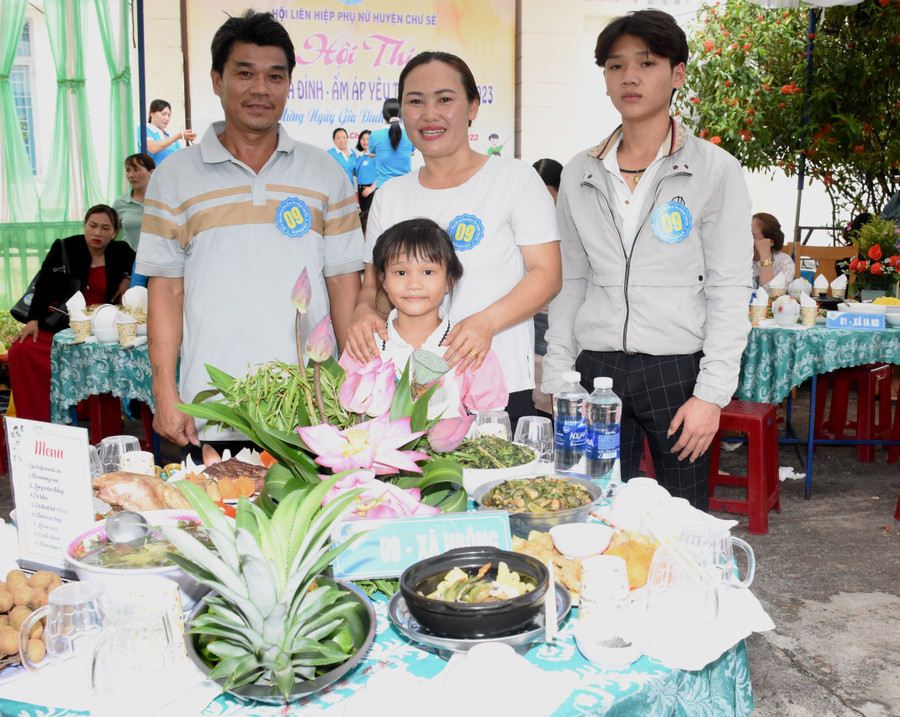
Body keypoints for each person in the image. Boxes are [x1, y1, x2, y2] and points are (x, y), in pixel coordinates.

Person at [542, 9, 753, 510]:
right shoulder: (580, 171)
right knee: (591, 507)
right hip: (593, 368)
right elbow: (571, 280)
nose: (630, 77)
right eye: (616, 67)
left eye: (647, 62)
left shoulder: (713, 170)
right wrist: (556, 373)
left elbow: (728, 288)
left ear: (677, 74)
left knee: (684, 516)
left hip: (677, 371)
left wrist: (711, 395)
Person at [136, 10, 364, 458]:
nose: (261, 89)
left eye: (275, 76)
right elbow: (166, 291)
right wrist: (165, 393)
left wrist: (353, 393)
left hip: (312, 411)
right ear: (217, 81)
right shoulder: (174, 178)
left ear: (288, 84)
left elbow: (343, 285)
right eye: (245, 73)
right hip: (210, 412)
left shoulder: (325, 173)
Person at [346, 51, 562, 430]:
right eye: (416, 101)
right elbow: (373, 286)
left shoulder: (513, 179)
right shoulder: (391, 194)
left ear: (472, 106)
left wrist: (486, 323)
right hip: (404, 397)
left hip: (496, 390)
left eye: (445, 99)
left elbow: (547, 275)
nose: (430, 114)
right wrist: (365, 312)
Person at [340, 218, 507, 419]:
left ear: (449, 280)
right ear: (383, 281)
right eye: (401, 272)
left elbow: (490, 428)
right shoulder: (364, 344)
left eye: (428, 272)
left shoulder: (468, 348)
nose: (414, 284)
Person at [8, 205, 134, 422]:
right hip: (64, 323)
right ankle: (37, 419)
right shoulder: (65, 247)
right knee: (21, 350)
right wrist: (34, 320)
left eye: (105, 228)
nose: (97, 233)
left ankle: (89, 415)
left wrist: (127, 278)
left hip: (101, 327)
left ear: (115, 232)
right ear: (84, 225)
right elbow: (44, 285)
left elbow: (141, 265)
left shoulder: (120, 250)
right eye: (92, 226)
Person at [531, 158, 564, 418]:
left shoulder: (571, 228)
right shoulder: (523, 226)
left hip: (560, 328)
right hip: (531, 328)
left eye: (548, 195)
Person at [366, 98, 415, 190]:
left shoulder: (375, 135)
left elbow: (371, 155)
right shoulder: (409, 134)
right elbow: (412, 153)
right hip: (405, 187)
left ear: (384, 115)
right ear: (401, 113)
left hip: (383, 188)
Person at [142, 99, 196, 166]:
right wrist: (178, 136)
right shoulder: (144, 129)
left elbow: (180, 156)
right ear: (151, 113)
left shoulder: (169, 135)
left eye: (169, 115)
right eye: (163, 114)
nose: (167, 118)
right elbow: (153, 148)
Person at [752, 212, 794, 289]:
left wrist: (765, 255)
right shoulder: (738, 258)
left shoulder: (784, 262)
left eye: (753, 236)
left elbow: (772, 294)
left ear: (770, 241)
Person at [355, 130, 376, 220]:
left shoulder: (375, 155)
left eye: (368, 139)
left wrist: (371, 188)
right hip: (360, 189)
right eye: (363, 139)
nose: (365, 141)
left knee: (371, 217)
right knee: (363, 217)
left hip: (370, 190)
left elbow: (381, 173)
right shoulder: (360, 157)